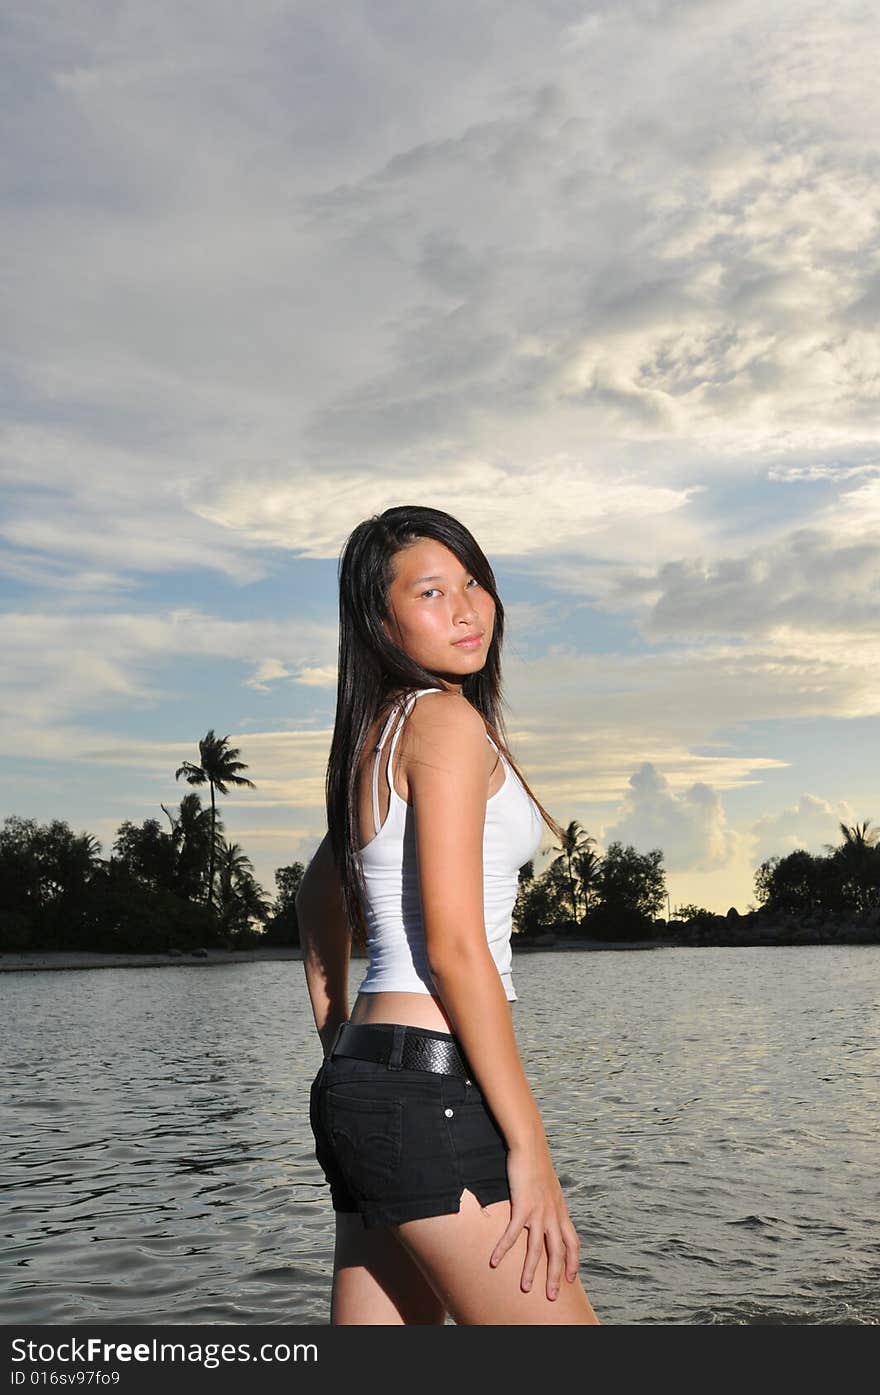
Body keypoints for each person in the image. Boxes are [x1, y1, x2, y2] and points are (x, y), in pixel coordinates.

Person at [297, 505, 600, 1325]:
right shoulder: (441, 722)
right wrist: (530, 1147)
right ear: (380, 617)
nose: (466, 607)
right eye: (432, 591)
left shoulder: (376, 733)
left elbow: (315, 897)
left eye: (473, 581)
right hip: (426, 1089)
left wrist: (343, 1047)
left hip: (370, 1087)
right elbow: (458, 948)